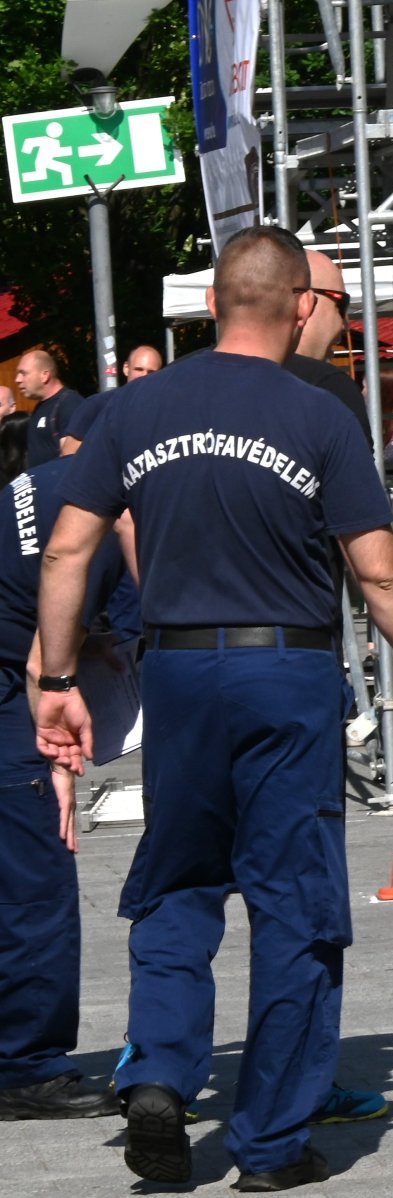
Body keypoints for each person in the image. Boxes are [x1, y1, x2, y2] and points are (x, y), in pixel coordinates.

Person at [33, 225, 393, 1192]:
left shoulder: (138, 408)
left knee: (179, 883)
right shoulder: (317, 414)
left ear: (220, 301)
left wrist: (57, 684)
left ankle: (160, 1073)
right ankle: (270, 1145)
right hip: (285, 675)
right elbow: (379, 567)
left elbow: (68, 553)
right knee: (292, 904)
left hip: (178, 676)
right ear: (299, 306)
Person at [0, 448, 129, 1123]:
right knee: (38, 877)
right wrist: (55, 761)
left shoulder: (51, 478)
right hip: (9, 688)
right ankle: (25, 1069)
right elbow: (42, 657)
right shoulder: (100, 524)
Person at [286, 251, 371, 435]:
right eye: (341, 304)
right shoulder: (333, 390)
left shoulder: (211, 380)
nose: (346, 324)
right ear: (304, 302)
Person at [14, 350, 84, 470]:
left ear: (44, 375)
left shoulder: (69, 404)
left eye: (23, 373)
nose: (17, 379)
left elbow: (71, 460)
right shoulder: (41, 407)